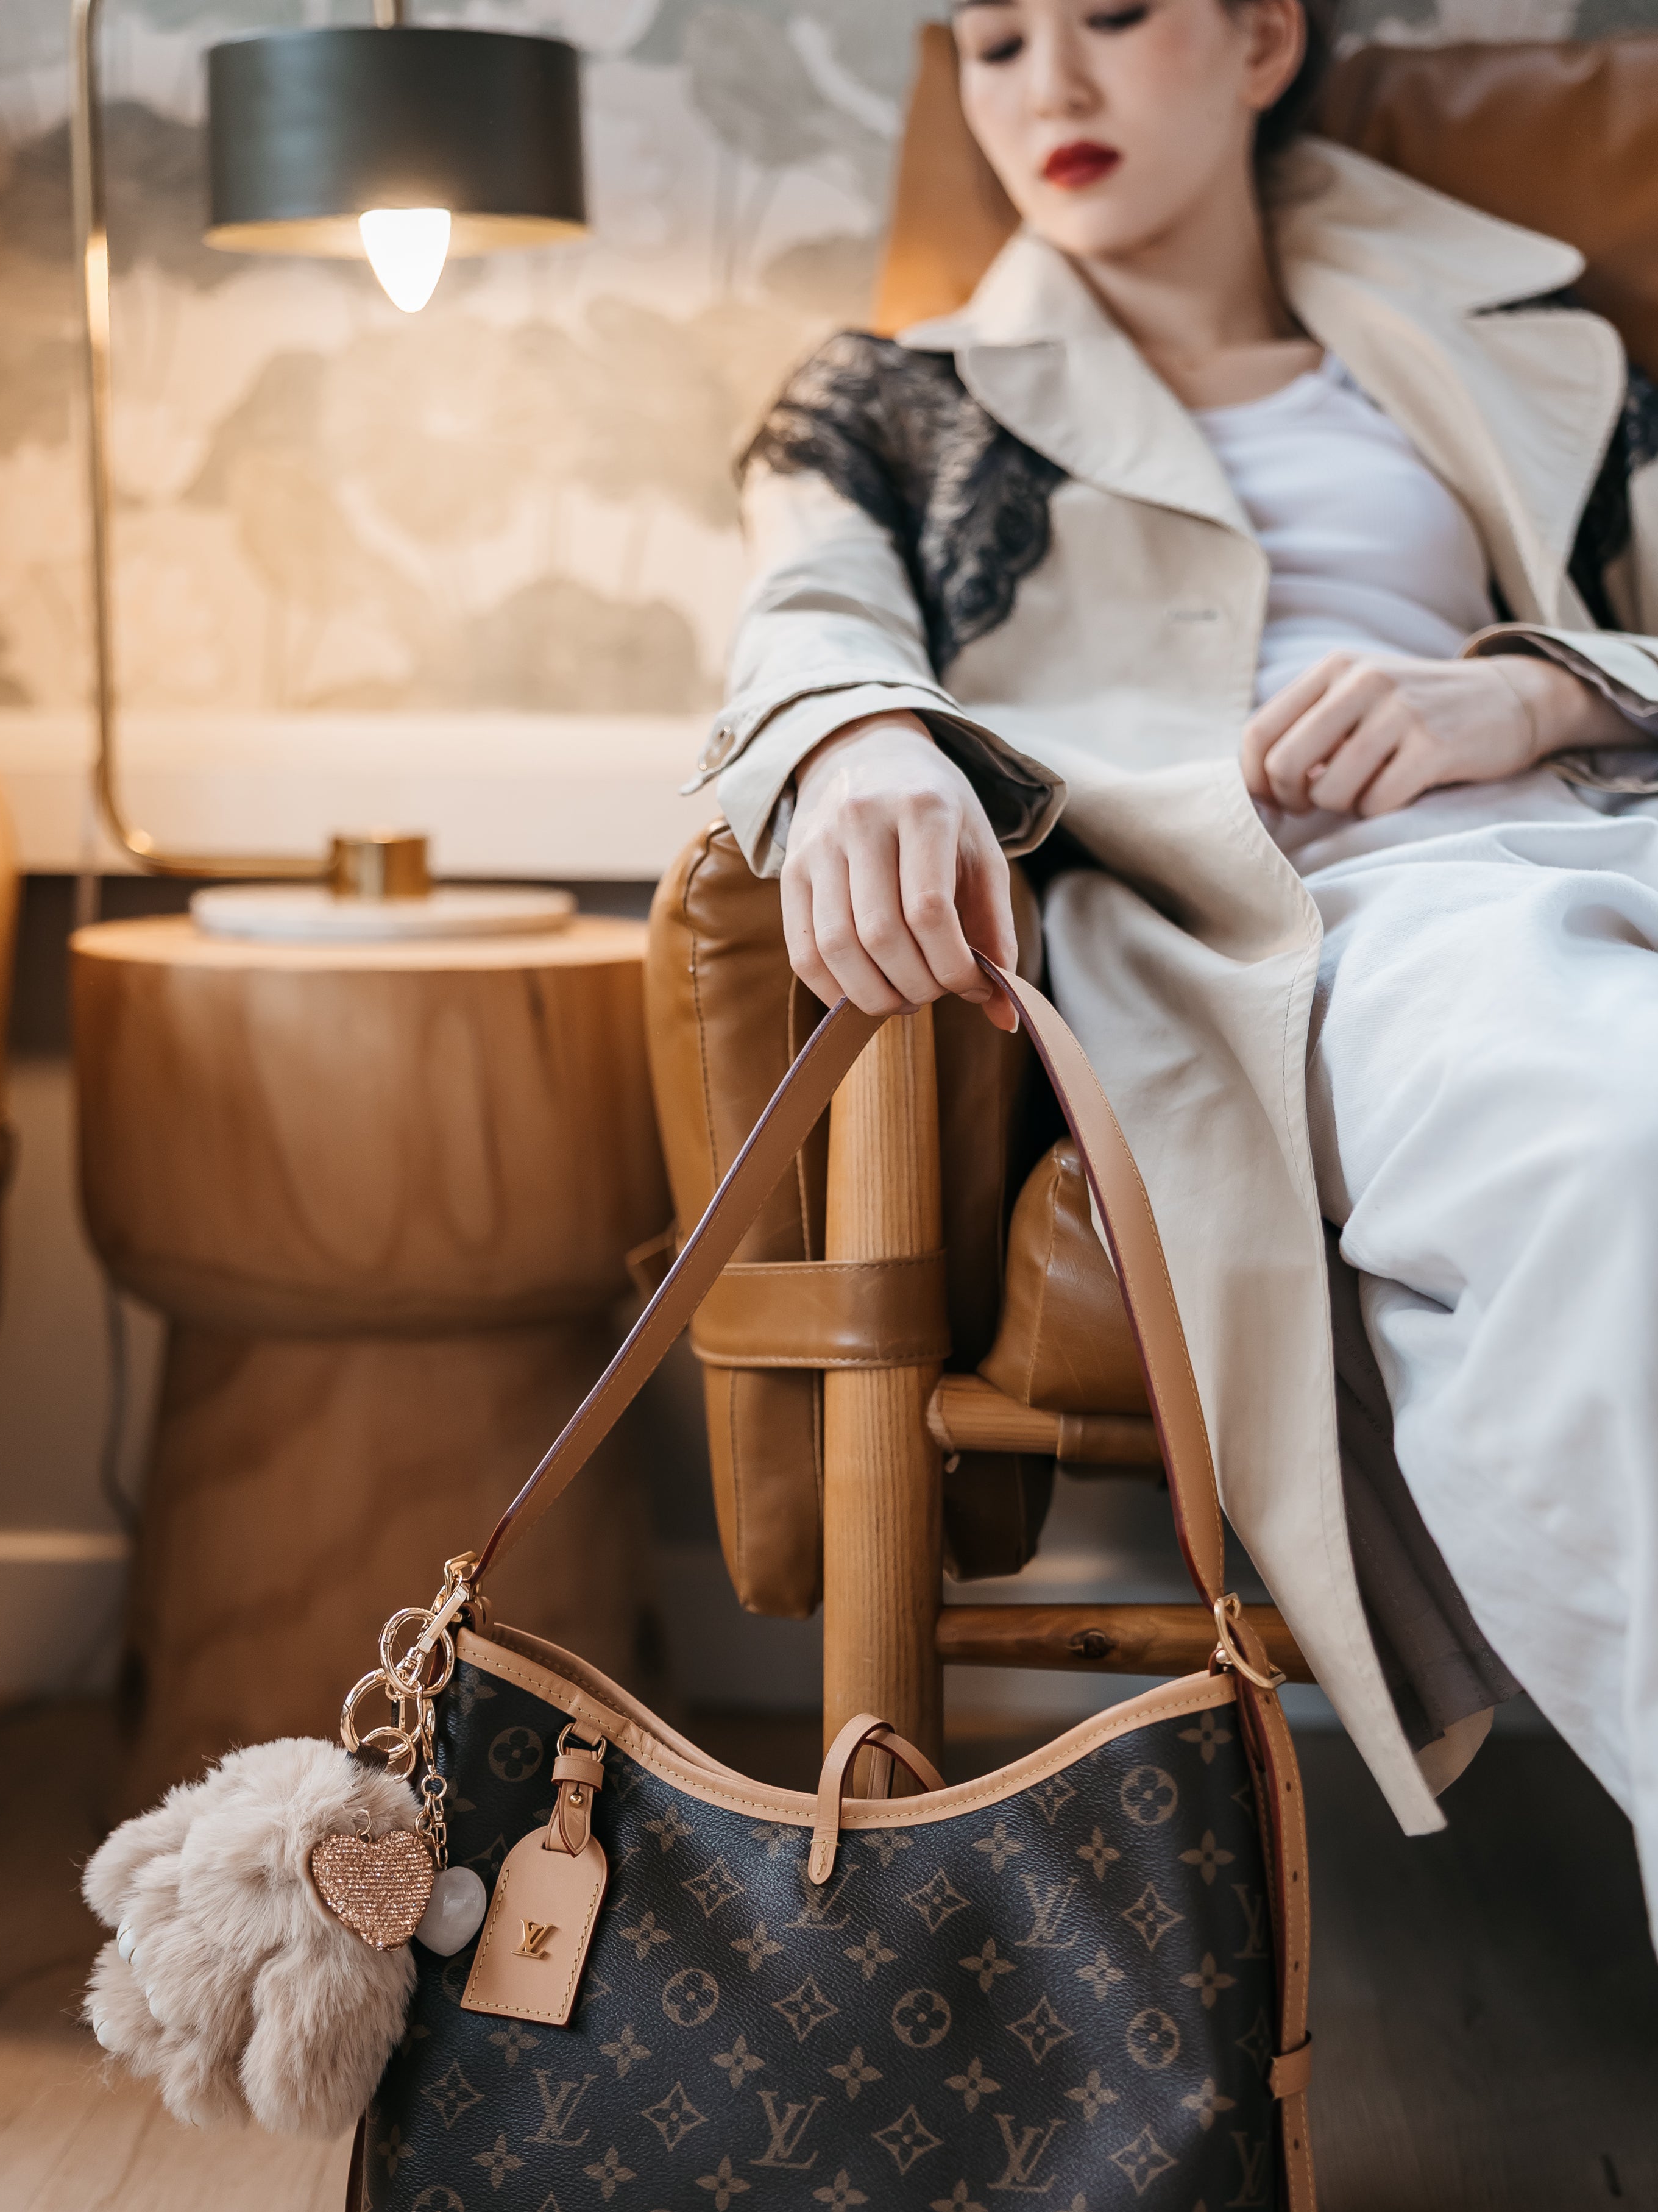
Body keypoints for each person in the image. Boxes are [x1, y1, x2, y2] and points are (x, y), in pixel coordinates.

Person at [687, 0, 1658, 1934]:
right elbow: (801, 616)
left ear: (1261, 40)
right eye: (988, 42)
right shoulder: (893, 396)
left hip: (1593, 828)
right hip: (1328, 917)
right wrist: (867, 743)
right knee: (1601, 1150)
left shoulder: (1532, 351)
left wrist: (1526, 689)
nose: (1044, 84)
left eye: (1112, 18)